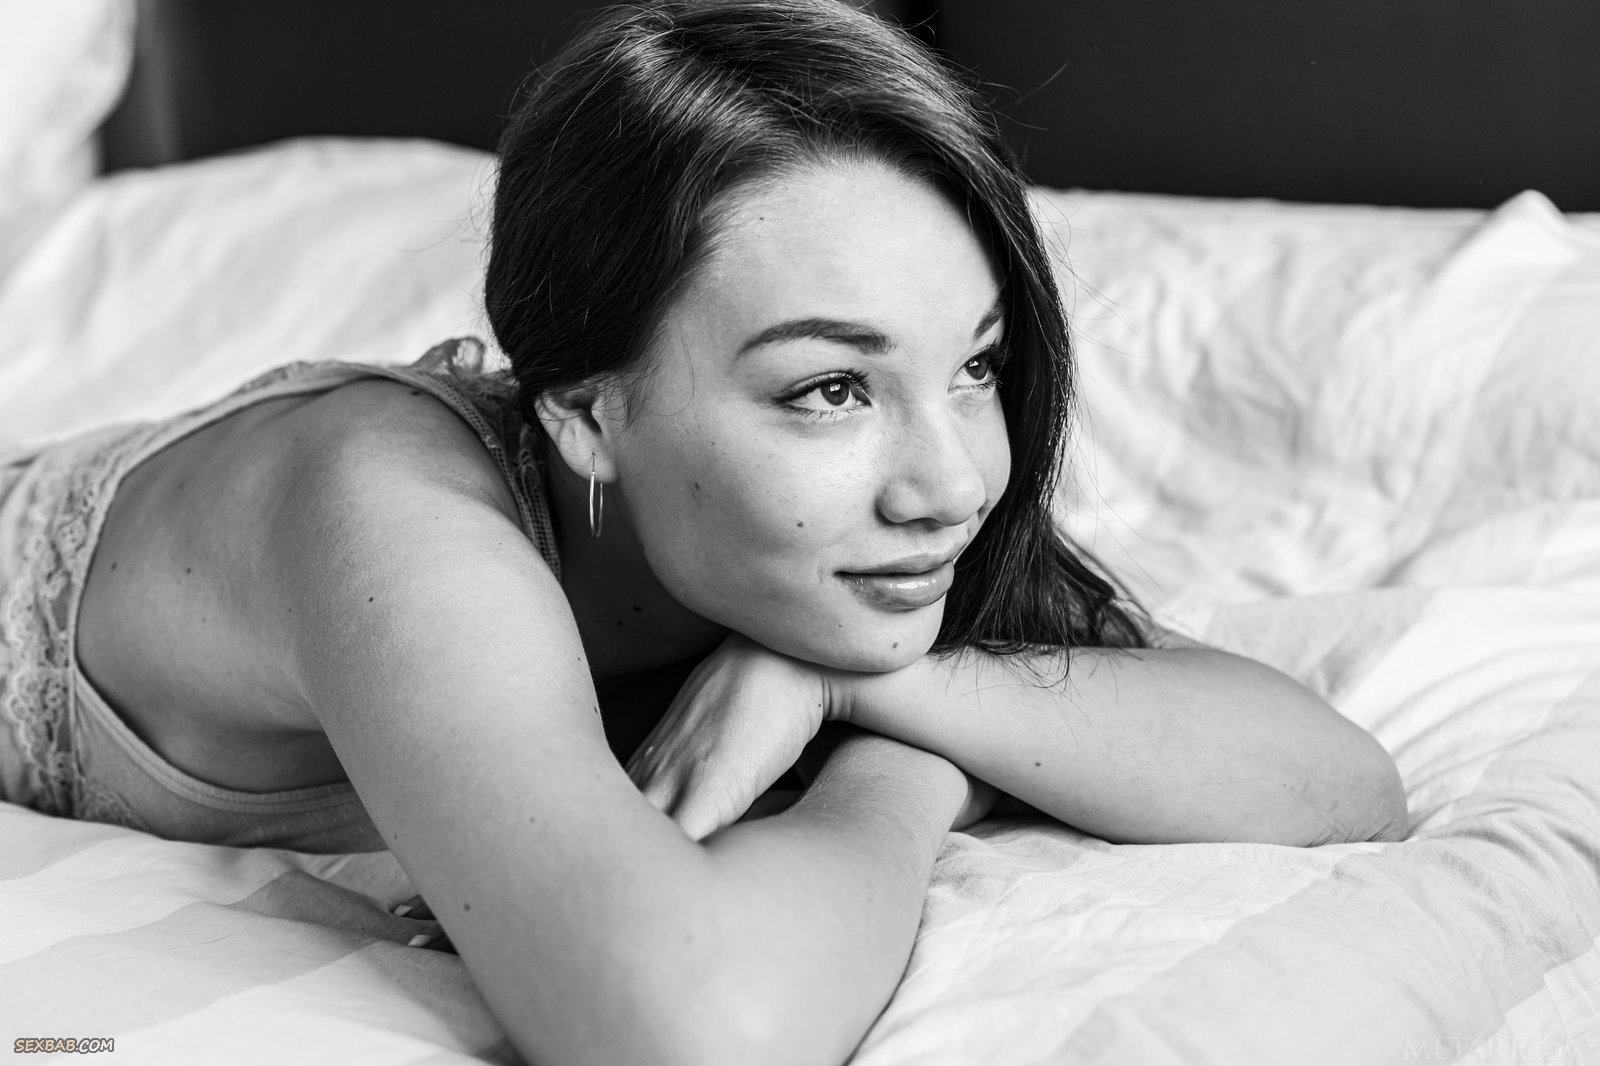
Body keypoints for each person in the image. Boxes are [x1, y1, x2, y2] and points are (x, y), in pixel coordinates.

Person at [0, 0, 1407, 1063]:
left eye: (976, 365)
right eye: (831, 388)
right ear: (587, 414)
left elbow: (1338, 785)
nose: (950, 483)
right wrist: (912, 776)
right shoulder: (393, 515)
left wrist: (863, 686)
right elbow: (693, 1032)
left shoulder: (845, 537)